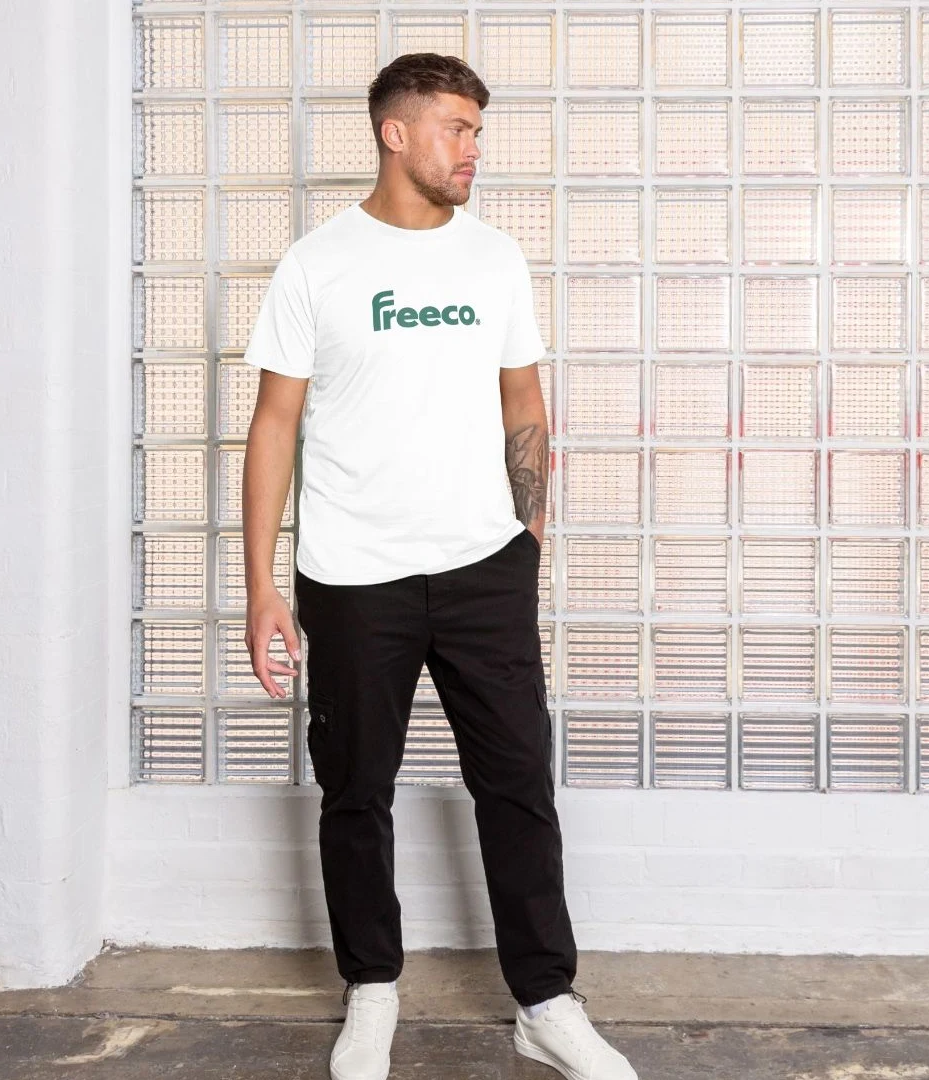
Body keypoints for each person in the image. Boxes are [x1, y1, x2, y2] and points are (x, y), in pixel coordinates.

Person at [241, 52, 638, 1080]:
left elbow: (522, 399)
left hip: (482, 569)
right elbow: (273, 425)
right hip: (352, 576)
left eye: (476, 131)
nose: (473, 148)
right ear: (396, 132)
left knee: (517, 785)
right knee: (355, 793)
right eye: (456, 128)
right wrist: (261, 586)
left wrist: (527, 535)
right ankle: (372, 992)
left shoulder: (494, 259)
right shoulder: (316, 265)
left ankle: (546, 1003)